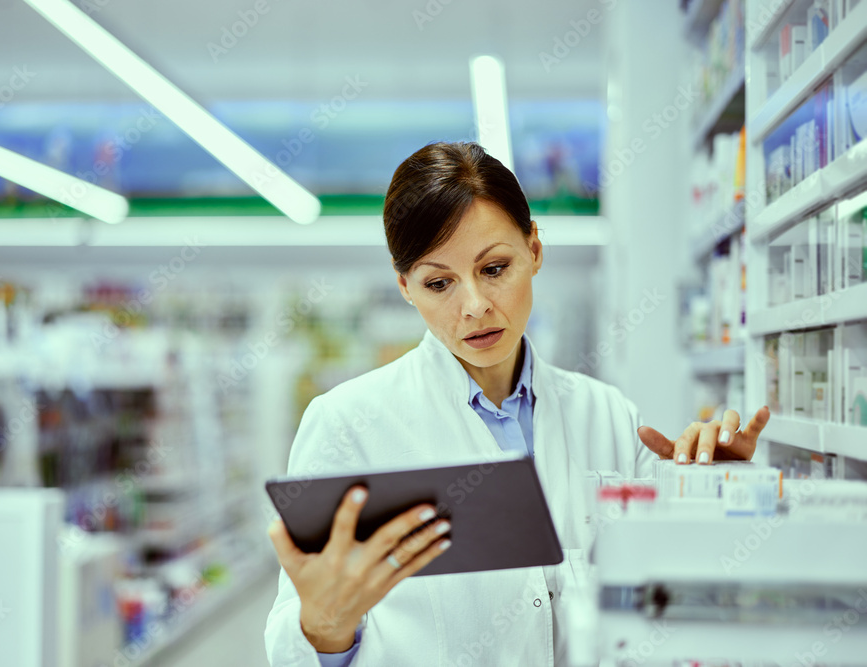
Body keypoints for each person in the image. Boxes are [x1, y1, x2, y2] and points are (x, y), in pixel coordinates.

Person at [263, 141, 770, 667]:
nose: (475, 306)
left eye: (494, 268)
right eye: (439, 283)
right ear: (405, 288)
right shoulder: (348, 423)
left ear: (534, 250)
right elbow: (293, 644)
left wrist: (715, 498)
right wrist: (325, 627)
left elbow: (670, 596)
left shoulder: (609, 417)